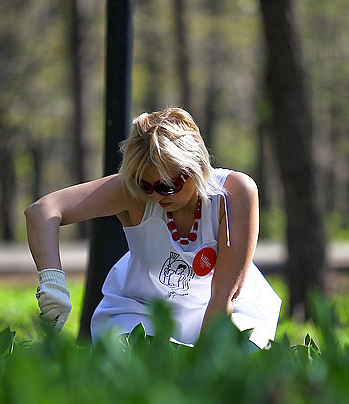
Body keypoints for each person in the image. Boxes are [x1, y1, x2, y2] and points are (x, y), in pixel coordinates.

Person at [24, 107, 281, 348]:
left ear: (197, 167)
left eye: (167, 186)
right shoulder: (134, 192)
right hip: (142, 312)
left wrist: (200, 364)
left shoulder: (234, 193)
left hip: (224, 309)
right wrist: (52, 283)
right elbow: (43, 210)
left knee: (239, 355)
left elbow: (224, 295)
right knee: (137, 359)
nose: (156, 196)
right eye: (145, 186)